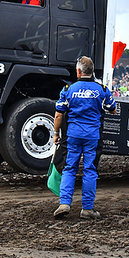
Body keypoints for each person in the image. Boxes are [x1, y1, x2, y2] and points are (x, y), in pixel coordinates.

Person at [52, 56, 116, 219]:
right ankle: (87, 209)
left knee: (69, 168)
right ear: (92, 71)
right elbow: (112, 109)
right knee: (90, 170)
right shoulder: (101, 89)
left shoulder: (68, 89)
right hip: (92, 136)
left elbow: (59, 114)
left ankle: (64, 203)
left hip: (73, 135)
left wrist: (56, 134)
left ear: (79, 71)